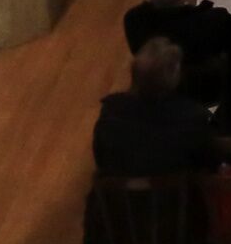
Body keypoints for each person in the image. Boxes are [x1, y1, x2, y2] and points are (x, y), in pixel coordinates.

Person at [90, 37, 221, 181]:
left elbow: (101, 160)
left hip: (119, 200)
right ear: (174, 77)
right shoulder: (194, 118)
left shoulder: (110, 110)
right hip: (178, 201)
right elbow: (211, 164)